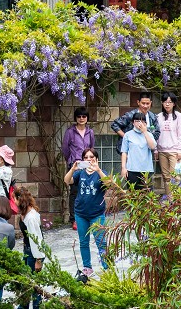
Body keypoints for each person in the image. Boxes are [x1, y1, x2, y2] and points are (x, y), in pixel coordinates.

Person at [64, 148, 110, 280]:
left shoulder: (101, 173)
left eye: (92, 157)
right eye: (86, 157)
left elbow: (108, 183)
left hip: (97, 214)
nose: (89, 159)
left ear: (96, 159)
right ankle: (87, 267)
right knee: (84, 242)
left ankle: (107, 267)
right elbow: (67, 181)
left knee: (101, 242)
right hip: (81, 214)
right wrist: (72, 169)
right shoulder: (80, 173)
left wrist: (98, 170)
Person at [13, 186, 45, 309]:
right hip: (28, 250)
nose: (13, 201)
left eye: (14, 199)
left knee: (34, 286)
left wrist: (38, 260)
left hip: (34, 253)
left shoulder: (31, 217)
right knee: (26, 283)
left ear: (20, 200)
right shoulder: (24, 213)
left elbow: (37, 239)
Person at [61, 106, 94, 228]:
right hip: (75, 165)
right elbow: (65, 149)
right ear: (76, 118)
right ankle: (74, 219)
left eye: (84, 116)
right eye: (79, 116)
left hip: (87, 165)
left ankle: (86, 216)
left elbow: (92, 148)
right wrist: (71, 160)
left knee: (87, 190)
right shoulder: (70, 132)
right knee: (74, 192)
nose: (81, 118)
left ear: (87, 118)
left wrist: (90, 160)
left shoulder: (90, 132)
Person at [155, 94, 181, 196]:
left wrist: (180, 149)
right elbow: (155, 134)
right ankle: (170, 200)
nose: (167, 104)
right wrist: (156, 149)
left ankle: (178, 201)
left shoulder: (178, 116)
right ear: (162, 103)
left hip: (174, 150)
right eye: (165, 102)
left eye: (170, 102)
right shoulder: (158, 117)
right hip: (162, 151)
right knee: (166, 177)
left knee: (176, 177)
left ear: (174, 103)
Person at [120, 112, 157, 190]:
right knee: (132, 195)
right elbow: (124, 152)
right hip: (132, 170)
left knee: (147, 195)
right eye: (137, 121)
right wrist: (123, 168)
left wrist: (145, 132)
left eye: (142, 121)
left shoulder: (149, 135)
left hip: (146, 170)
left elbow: (152, 146)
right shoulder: (128, 135)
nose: (140, 123)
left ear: (146, 123)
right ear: (133, 123)